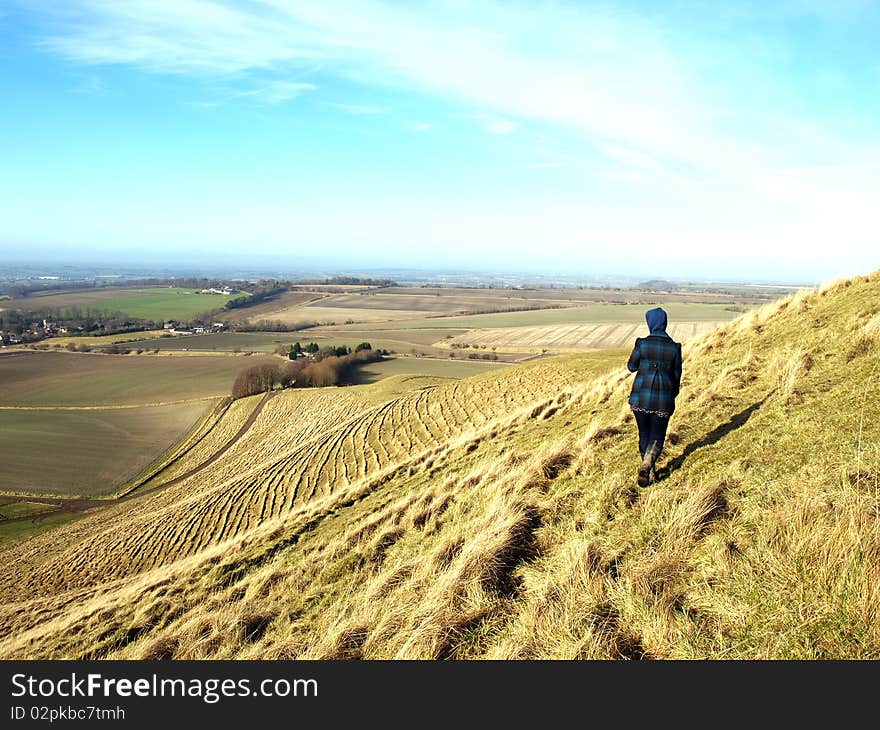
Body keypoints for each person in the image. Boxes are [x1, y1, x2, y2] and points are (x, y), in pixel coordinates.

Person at [626, 307, 682, 486]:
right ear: (664, 323)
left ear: (650, 323)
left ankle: (649, 470)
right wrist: (672, 394)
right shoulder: (674, 348)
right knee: (657, 435)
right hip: (663, 399)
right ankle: (648, 466)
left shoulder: (641, 343)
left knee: (644, 434)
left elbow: (631, 366)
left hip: (640, 397)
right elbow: (676, 375)